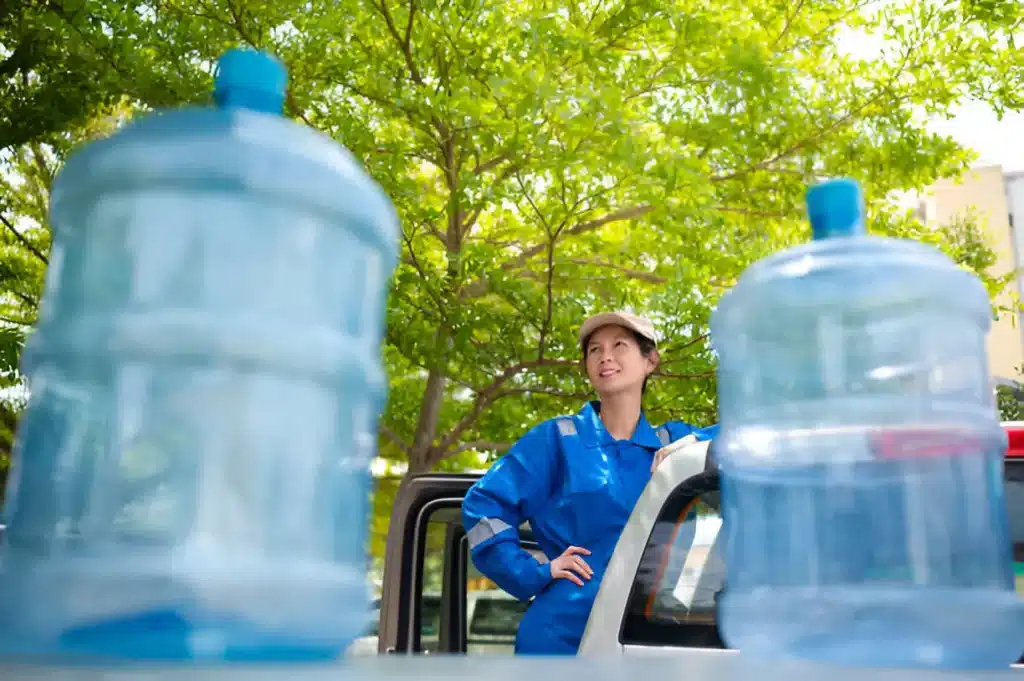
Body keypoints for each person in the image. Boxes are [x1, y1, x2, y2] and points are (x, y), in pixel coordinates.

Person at [461, 311, 718, 655]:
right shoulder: (557, 440)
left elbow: (756, 438)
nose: (605, 356)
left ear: (650, 360)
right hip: (562, 637)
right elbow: (483, 507)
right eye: (594, 350)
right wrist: (534, 571)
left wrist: (695, 441)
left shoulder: (673, 444)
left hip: (650, 636)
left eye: (619, 345)